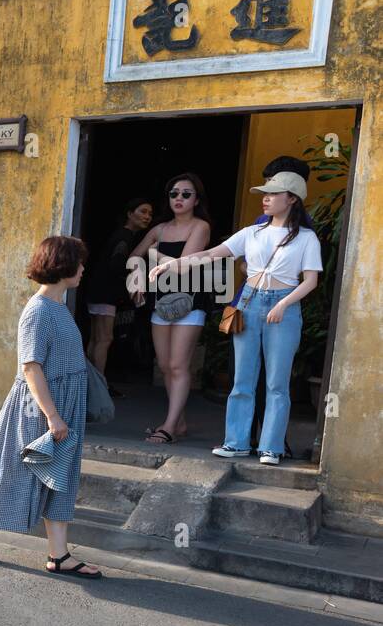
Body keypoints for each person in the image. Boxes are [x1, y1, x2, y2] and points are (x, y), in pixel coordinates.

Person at [150, 171, 321, 466]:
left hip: (283, 307)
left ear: (292, 199)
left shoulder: (306, 238)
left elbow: (310, 280)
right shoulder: (251, 232)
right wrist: (175, 263)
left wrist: (284, 304)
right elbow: (213, 253)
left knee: (277, 382)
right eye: (264, 193)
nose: (266, 198)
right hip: (249, 303)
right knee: (242, 378)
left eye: (273, 193)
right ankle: (236, 442)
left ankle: (271, 447)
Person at [0, 235, 102, 579]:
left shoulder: (60, 309)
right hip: (37, 408)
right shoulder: (37, 311)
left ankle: (59, 555)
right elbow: (30, 366)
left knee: (61, 477)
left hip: (62, 405)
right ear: (63, 265)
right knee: (14, 472)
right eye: (78, 262)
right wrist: (52, 415)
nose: (83, 268)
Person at [128, 173, 212, 445]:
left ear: (196, 199)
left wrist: (154, 253)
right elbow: (132, 257)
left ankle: (168, 425)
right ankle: (180, 421)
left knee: (178, 364)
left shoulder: (200, 227)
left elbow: (184, 264)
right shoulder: (160, 229)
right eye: (174, 193)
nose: (179, 198)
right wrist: (137, 277)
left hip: (190, 300)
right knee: (164, 365)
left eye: (186, 194)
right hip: (161, 302)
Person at [85, 197, 153, 394]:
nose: (147, 216)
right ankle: (99, 387)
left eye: (149, 213)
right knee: (104, 339)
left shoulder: (122, 235)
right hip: (106, 293)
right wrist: (132, 283)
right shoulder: (125, 237)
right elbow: (117, 264)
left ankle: (91, 383)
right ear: (130, 214)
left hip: (97, 291)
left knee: (96, 338)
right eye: (142, 211)